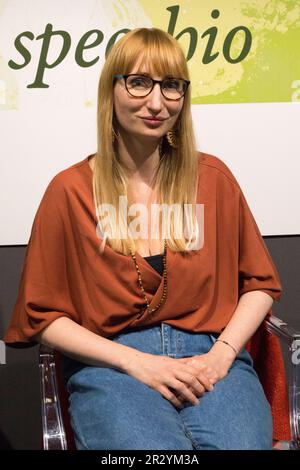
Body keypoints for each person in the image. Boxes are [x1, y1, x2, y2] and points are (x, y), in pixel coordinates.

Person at [4, 27, 286, 450]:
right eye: (139, 82)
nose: (156, 102)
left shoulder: (213, 180)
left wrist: (221, 356)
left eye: (171, 86)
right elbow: (44, 318)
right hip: (113, 364)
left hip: (211, 356)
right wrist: (138, 363)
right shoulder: (70, 190)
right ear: (111, 89)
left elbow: (260, 285)